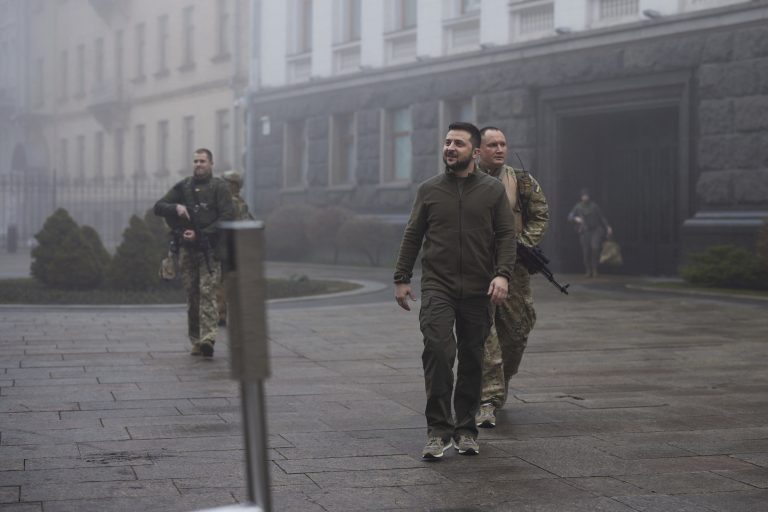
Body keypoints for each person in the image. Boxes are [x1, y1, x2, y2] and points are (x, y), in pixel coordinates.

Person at [394, 122, 516, 460]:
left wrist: (502, 275)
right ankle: (438, 431)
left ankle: (465, 429)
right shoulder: (429, 190)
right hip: (438, 285)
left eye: (458, 144)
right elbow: (412, 233)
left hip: (479, 288)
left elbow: (506, 236)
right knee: (437, 350)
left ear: (474, 152)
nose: (450, 148)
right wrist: (402, 277)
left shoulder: (491, 191)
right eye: (447, 142)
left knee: (473, 359)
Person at [473, 127, 550, 429]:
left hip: (515, 268)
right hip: (478, 268)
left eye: (503, 144)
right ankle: (487, 400)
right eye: (493, 144)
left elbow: (541, 215)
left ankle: (498, 385)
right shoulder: (466, 180)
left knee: (516, 334)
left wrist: (523, 244)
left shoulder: (521, 180)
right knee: (484, 335)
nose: (500, 149)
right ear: (478, 150)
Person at [154, 148, 234, 357]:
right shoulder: (184, 186)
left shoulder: (220, 188)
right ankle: (196, 340)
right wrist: (176, 208)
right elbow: (159, 206)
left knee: (208, 293)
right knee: (193, 296)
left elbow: (227, 216)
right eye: (196, 161)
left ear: (211, 163)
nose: (198, 164)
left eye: (203, 161)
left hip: (210, 251)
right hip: (187, 251)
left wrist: (202, 235)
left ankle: (208, 338)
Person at [217, 170, 254, 325]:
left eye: (225, 182)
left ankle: (221, 314)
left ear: (232, 185)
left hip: (225, 247)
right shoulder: (241, 203)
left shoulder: (226, 203)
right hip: (238, 248)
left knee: (221, 282)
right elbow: (251, 223)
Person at [568, 188, 612, 277]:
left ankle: (595, 269)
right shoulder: (578, 206)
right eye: (583, 196)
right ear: (581, 197)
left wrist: (608, 227)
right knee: (586, 251)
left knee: (595, 248)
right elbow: (570, 216)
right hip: (585, 231)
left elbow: (601, 217)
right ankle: (588, 270)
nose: (585, 197)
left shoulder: (594, 206)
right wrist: (575, 219)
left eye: (586, 195)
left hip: (595, 230)